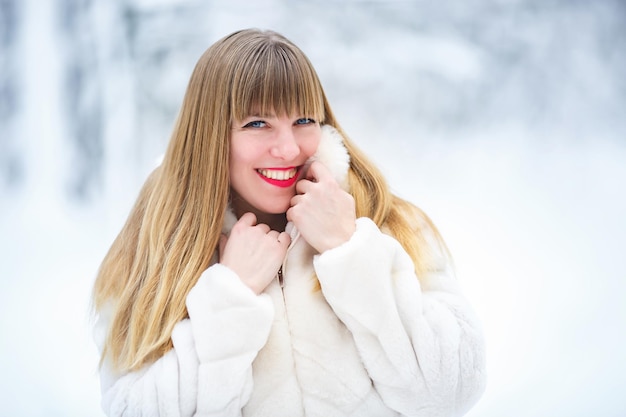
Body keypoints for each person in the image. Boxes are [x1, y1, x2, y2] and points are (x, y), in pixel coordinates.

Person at [91, 28, 486, 417]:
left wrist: (351, 251)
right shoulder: (157, 244)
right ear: (209, 136)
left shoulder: (384, 220)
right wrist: (230, 297)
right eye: (257, 123)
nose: (289, 149)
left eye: (303, 119)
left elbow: (453, 391)